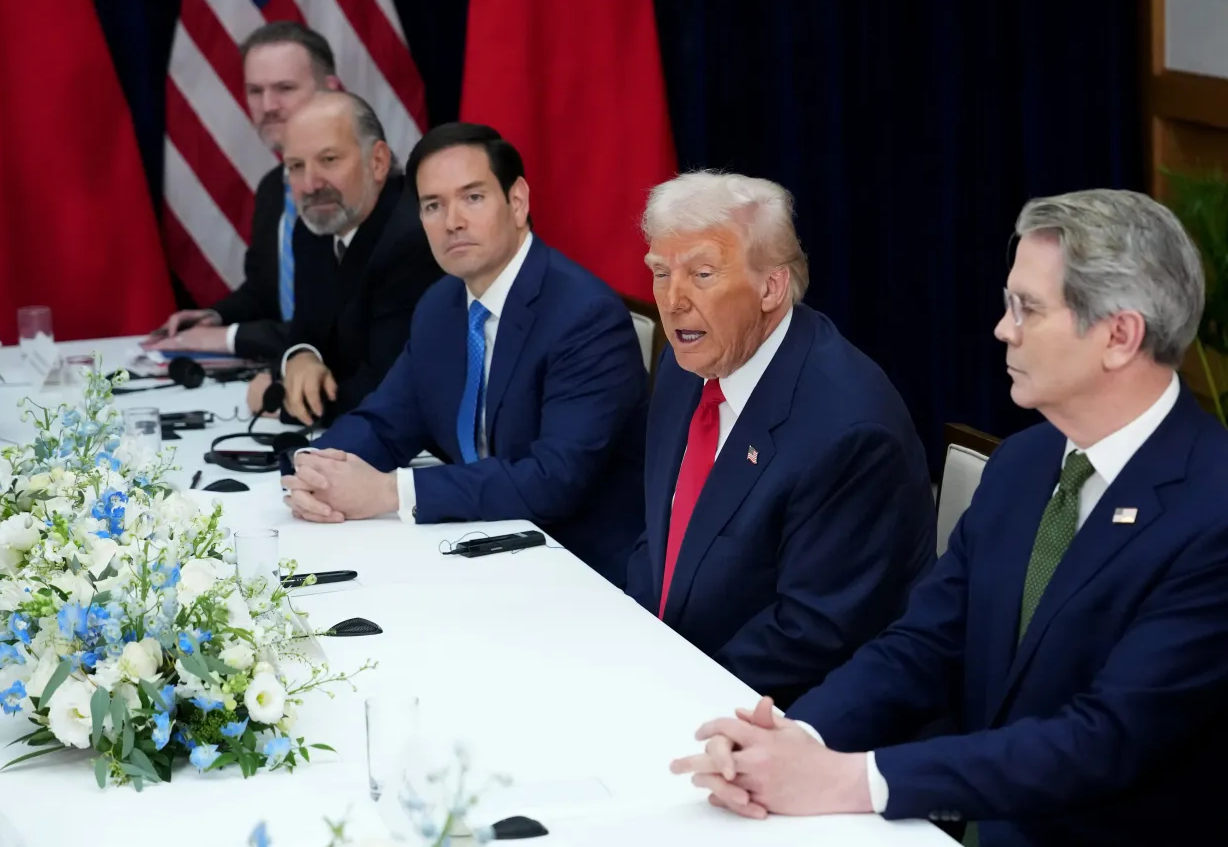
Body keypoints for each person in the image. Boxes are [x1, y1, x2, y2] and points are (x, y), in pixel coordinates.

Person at [670, 189, 1228, 847]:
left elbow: (1102, 740)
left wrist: (852, 778)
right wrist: (799, 737)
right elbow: (925, 641)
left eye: (1028, 308)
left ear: (1119, 335)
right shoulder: (1023, 464)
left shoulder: (1211, 511)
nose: (1002, 328)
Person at [280, 123, 648, 584]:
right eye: (433, 205)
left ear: (517, 202)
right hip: (476, 546)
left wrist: (390, 491)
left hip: (576, 565)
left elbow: (554, 480)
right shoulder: (440, 305)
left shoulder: (584, 315)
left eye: (472, 198)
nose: (452, 220)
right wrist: (316, 469)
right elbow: (386, 420)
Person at [624, 172, 934, 708]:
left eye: (701, 273)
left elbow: (811, 633)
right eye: (659, 272)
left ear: (771, 287)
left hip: (782, 717)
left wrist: (668, 690)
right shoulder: (688, 366)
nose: (672, 301)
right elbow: (660, 533)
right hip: (668, 666)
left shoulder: (849, 431)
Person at [144, 22, 340, 377]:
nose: (268, 105)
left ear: (330, 91)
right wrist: (216, 317)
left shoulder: (352, 191)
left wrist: (228, 337)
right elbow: (265, 290)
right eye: (255, 91)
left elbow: (333, 327)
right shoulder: (271, 188)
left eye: (284, 88)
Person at [273, 92, 440, 425]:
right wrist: (302, 357)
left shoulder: (413, 236)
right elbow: (308, 327)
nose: (310, 184)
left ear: (377, 162)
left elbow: (389, 392)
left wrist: (277, 398)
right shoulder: (314, 228)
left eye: (329, 160)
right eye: (295, 166)